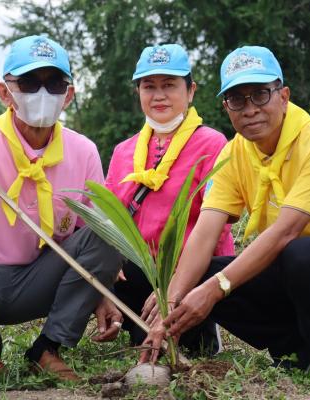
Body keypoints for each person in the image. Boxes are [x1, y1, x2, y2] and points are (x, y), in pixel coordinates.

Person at [141, 45, 310, 378]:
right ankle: (294, 350)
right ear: (226, 107)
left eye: (260, 95)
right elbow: (205, 233)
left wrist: (215, 289)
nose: (250, 110)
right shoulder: (233, 153)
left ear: (283, 96)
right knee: (202, 274)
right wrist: (172, 299)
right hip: (290, 272)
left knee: (302, 253)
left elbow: (286, 232)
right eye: (237, 99)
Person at [0, 35, 122, 381]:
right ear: (4, 92)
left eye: (54, 83)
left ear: (68, 95)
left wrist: (103, 291)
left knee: (109, 234)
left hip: (38, 277)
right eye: (28, 82)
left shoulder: (82, 150)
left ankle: (47, 348)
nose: (42, 93)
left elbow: (93, 241)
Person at [100, 44, 234, 355]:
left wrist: (173, 284)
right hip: (141, 270)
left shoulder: (212, 144)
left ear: (191, 91)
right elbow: (110, 218)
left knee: (190, 347)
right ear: (138, 92)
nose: (159, 95)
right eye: (149, 86)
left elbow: (216, 227)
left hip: (192, 270)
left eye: (169, 85)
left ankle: (199, 329)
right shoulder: (123, 151)